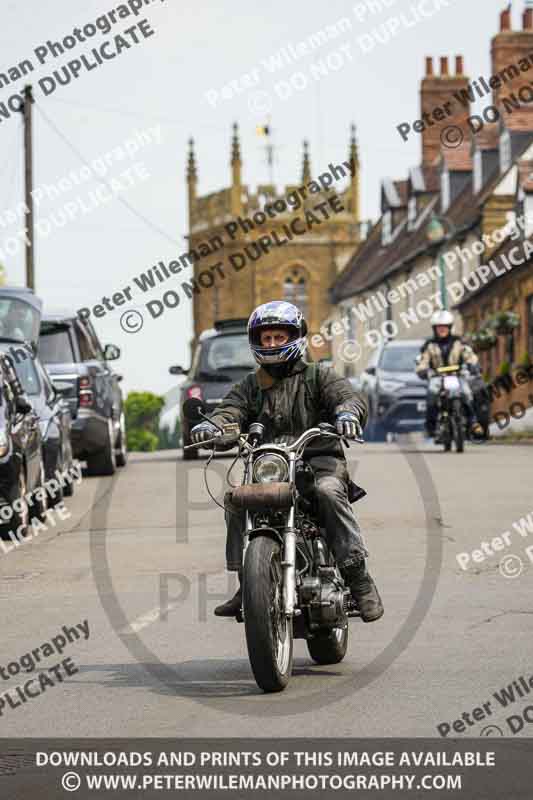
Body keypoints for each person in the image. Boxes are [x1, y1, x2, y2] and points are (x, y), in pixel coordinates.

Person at [190, 300, 384, 623]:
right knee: (237, 500)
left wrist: (348, 414)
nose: (272, 344)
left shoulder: (318, 376)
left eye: (279, 337)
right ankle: (247, 585)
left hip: (319, 461)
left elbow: (348, 397)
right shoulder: (250, 386)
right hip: (269, 466)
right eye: (265, 339)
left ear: (295, 337)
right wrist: (213, 425)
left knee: (328, 493)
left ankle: (359, 578)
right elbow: (230, 410)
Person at [416, 310, 484, 440]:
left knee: (466, 393)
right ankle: (431, 426)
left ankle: (473, 423)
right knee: (432, 394)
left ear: (450, 328)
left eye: (445, 327)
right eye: (439, 327)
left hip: (456, 375)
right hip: (437, 376)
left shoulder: (459, 342)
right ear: (434, 329)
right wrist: (422, 370)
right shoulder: (429, 345)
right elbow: (423, 360)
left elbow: (469, 355)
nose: (442, 330)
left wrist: (473, 365)